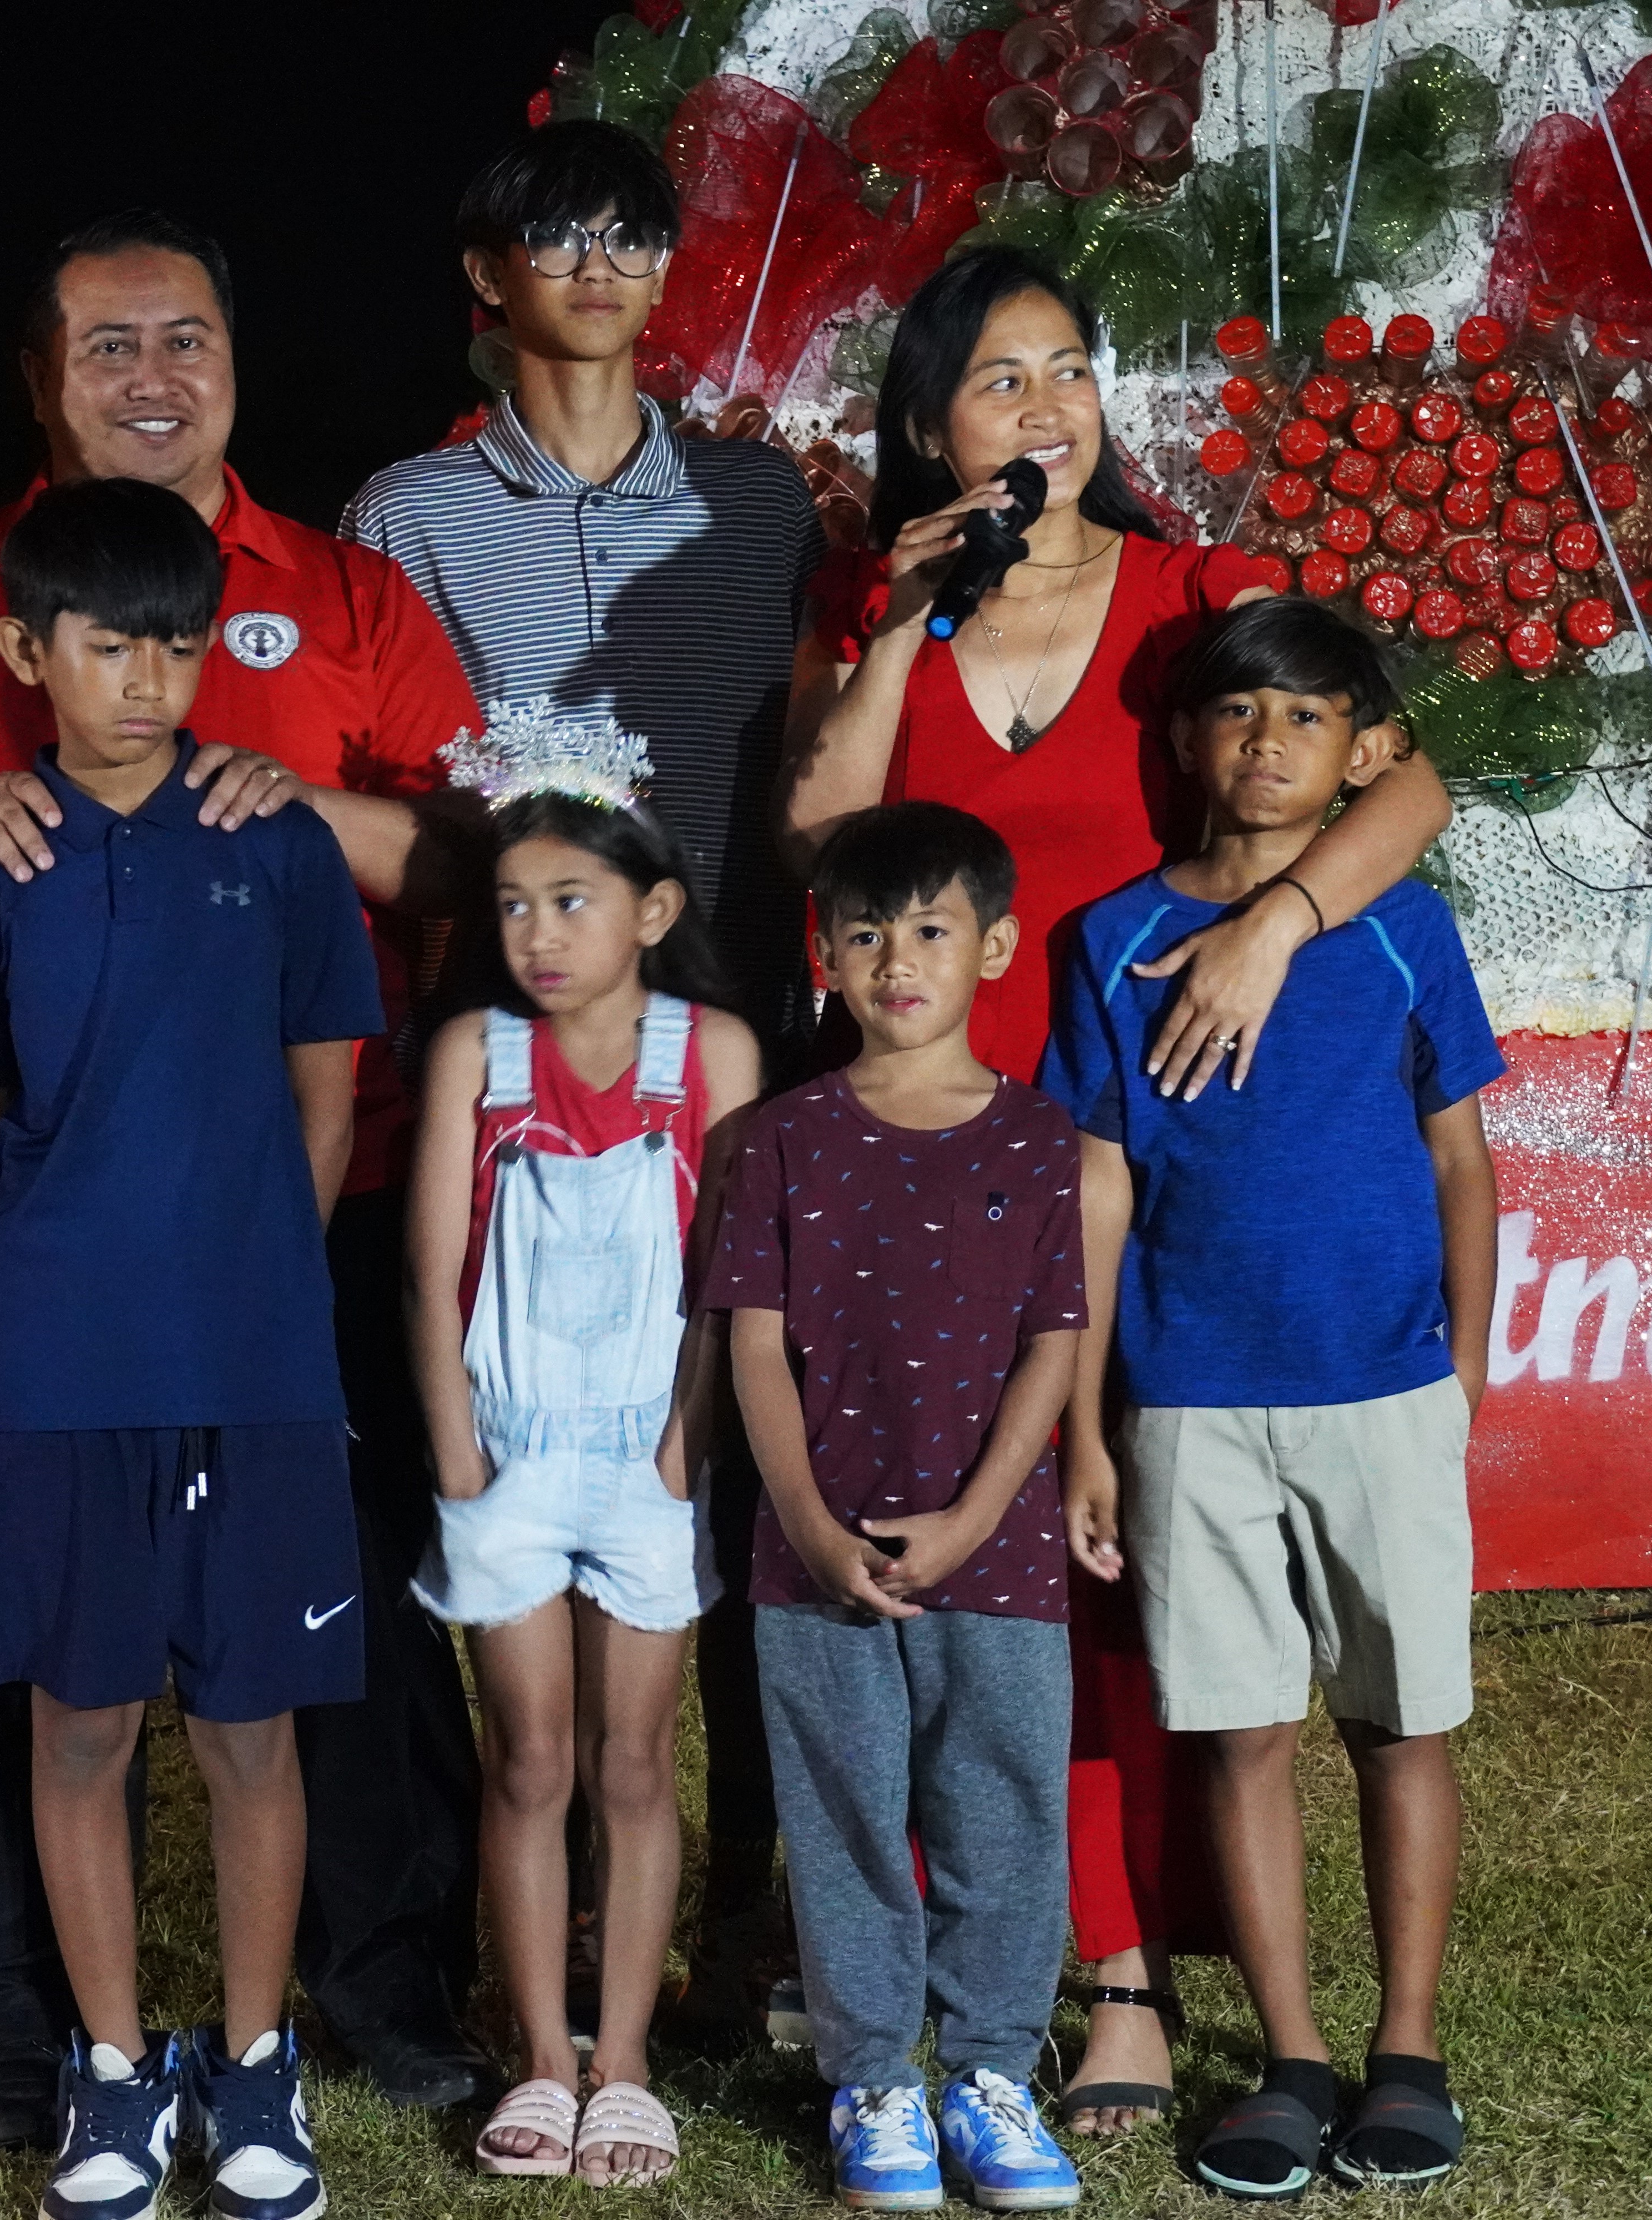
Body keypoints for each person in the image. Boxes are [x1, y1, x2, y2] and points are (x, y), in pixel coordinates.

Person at [0, 209, 493, 2133]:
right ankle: (22, 2026)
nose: (155, 376)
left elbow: (470, 854)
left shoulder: (345, 592)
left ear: (236, 364)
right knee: (6, 1621)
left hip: (309, 1202)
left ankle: (378, 1983)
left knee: (343, 1611)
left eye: (188, 338)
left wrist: (302, 806)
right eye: (109, 346)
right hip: (8, 1220)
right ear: (39, 381)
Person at [776, 245, 1456, 2132]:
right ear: (930, 425)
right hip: (931, 1150)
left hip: (1142, 1141)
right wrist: (897, 619)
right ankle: (982, 1950)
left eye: (1070, 368)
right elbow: (819, 840)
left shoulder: (1189, 597)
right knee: (982, 1561)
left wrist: (1274, 929)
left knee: (1118, 1566)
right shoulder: (868, 607)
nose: (1047, 408)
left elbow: (1411, 789)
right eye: (1001, 380)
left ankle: (1137, 1970)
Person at [345, 110, 820, 2030]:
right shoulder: (408, 515)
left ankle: (751, 1926)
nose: (603, 267)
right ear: (489, 276)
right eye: (560, 236)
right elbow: (403, 789)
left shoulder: (762, 508)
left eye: (633, 236)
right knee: (524, 1468)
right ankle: (516, 1962)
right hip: (521, 1053)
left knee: (737, 1490)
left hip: (740, 1041)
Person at [0, 477, 385, 2220]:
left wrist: (248, 1274)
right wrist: (79, 1270)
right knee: (81, 1725)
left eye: (178, 648)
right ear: (24, 650)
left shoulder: (277, 841)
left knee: (252, 1729)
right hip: (61, 1366)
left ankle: (255, 2064)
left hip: (254, 1358)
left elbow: (326, 1103)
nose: (147, 680)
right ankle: (113, 2076)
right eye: (110, 646)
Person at [1042, 598, 1503, 2199]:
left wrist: (1464, 1363)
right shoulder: (1110, 941)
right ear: (1187, 740)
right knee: (1240, 1733)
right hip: (1189, 1398)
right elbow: (1098, 1185)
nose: (1267, 741)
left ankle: (1408, 2049)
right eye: (1238, 712)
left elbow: (1460, 1153)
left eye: (1307, 716)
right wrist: (1089, 1420)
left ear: (1365, 753)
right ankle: (1294, 2060)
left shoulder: (1404, 929)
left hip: (1383, 1386)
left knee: (1400, 1720)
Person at [709, 800, 1091, 2214]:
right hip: (817, 1560)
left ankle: (992, 2070)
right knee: (845, 1815)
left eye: (929, 929)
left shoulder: (1041, 1136)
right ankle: (873, 2076)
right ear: (826, 954)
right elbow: (754, 1343)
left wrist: (979, 1514)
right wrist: (812, 1526)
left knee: (1002, 1809)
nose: (896, 960)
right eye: (865, 933)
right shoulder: (784, 1137)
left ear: (994, 945)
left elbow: (1055, 1340)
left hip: (1000, 1554)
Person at [403, 714, 760, 2187]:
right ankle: (543, 2059)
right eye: (512, 905)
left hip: (645, 1456)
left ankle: (627, 2064)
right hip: (507, 1454)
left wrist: (686, 1447)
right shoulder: (476, 1057)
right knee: (532, 1754)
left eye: (572, 900)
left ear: (654, 908)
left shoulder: (709, 1054)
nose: (538, 935)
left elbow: (730, 1277)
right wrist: (458, 1458)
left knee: (631, 1758)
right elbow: (429, 1274)